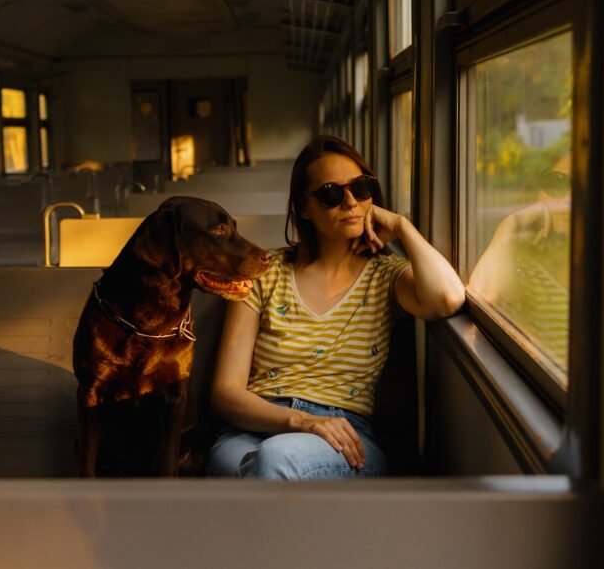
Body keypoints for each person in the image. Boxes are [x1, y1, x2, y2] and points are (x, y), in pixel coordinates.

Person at [206, 135, 465, 479]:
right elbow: (225, 392)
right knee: (263, 462)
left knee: (273, 463)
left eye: (360, 188)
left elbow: (448, 298)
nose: (350, 202)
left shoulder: (385, 275)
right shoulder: (265, 273)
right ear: (303, 207)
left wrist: (403, 227)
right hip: (252, 428)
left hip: (344, 435)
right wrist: (299, 421)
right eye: (330, 193)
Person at [468, 152, 572, 368]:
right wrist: (510, 226)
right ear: (538, 195)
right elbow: (481, 301)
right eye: (556, 184)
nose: (568, 198)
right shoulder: (525, 265)